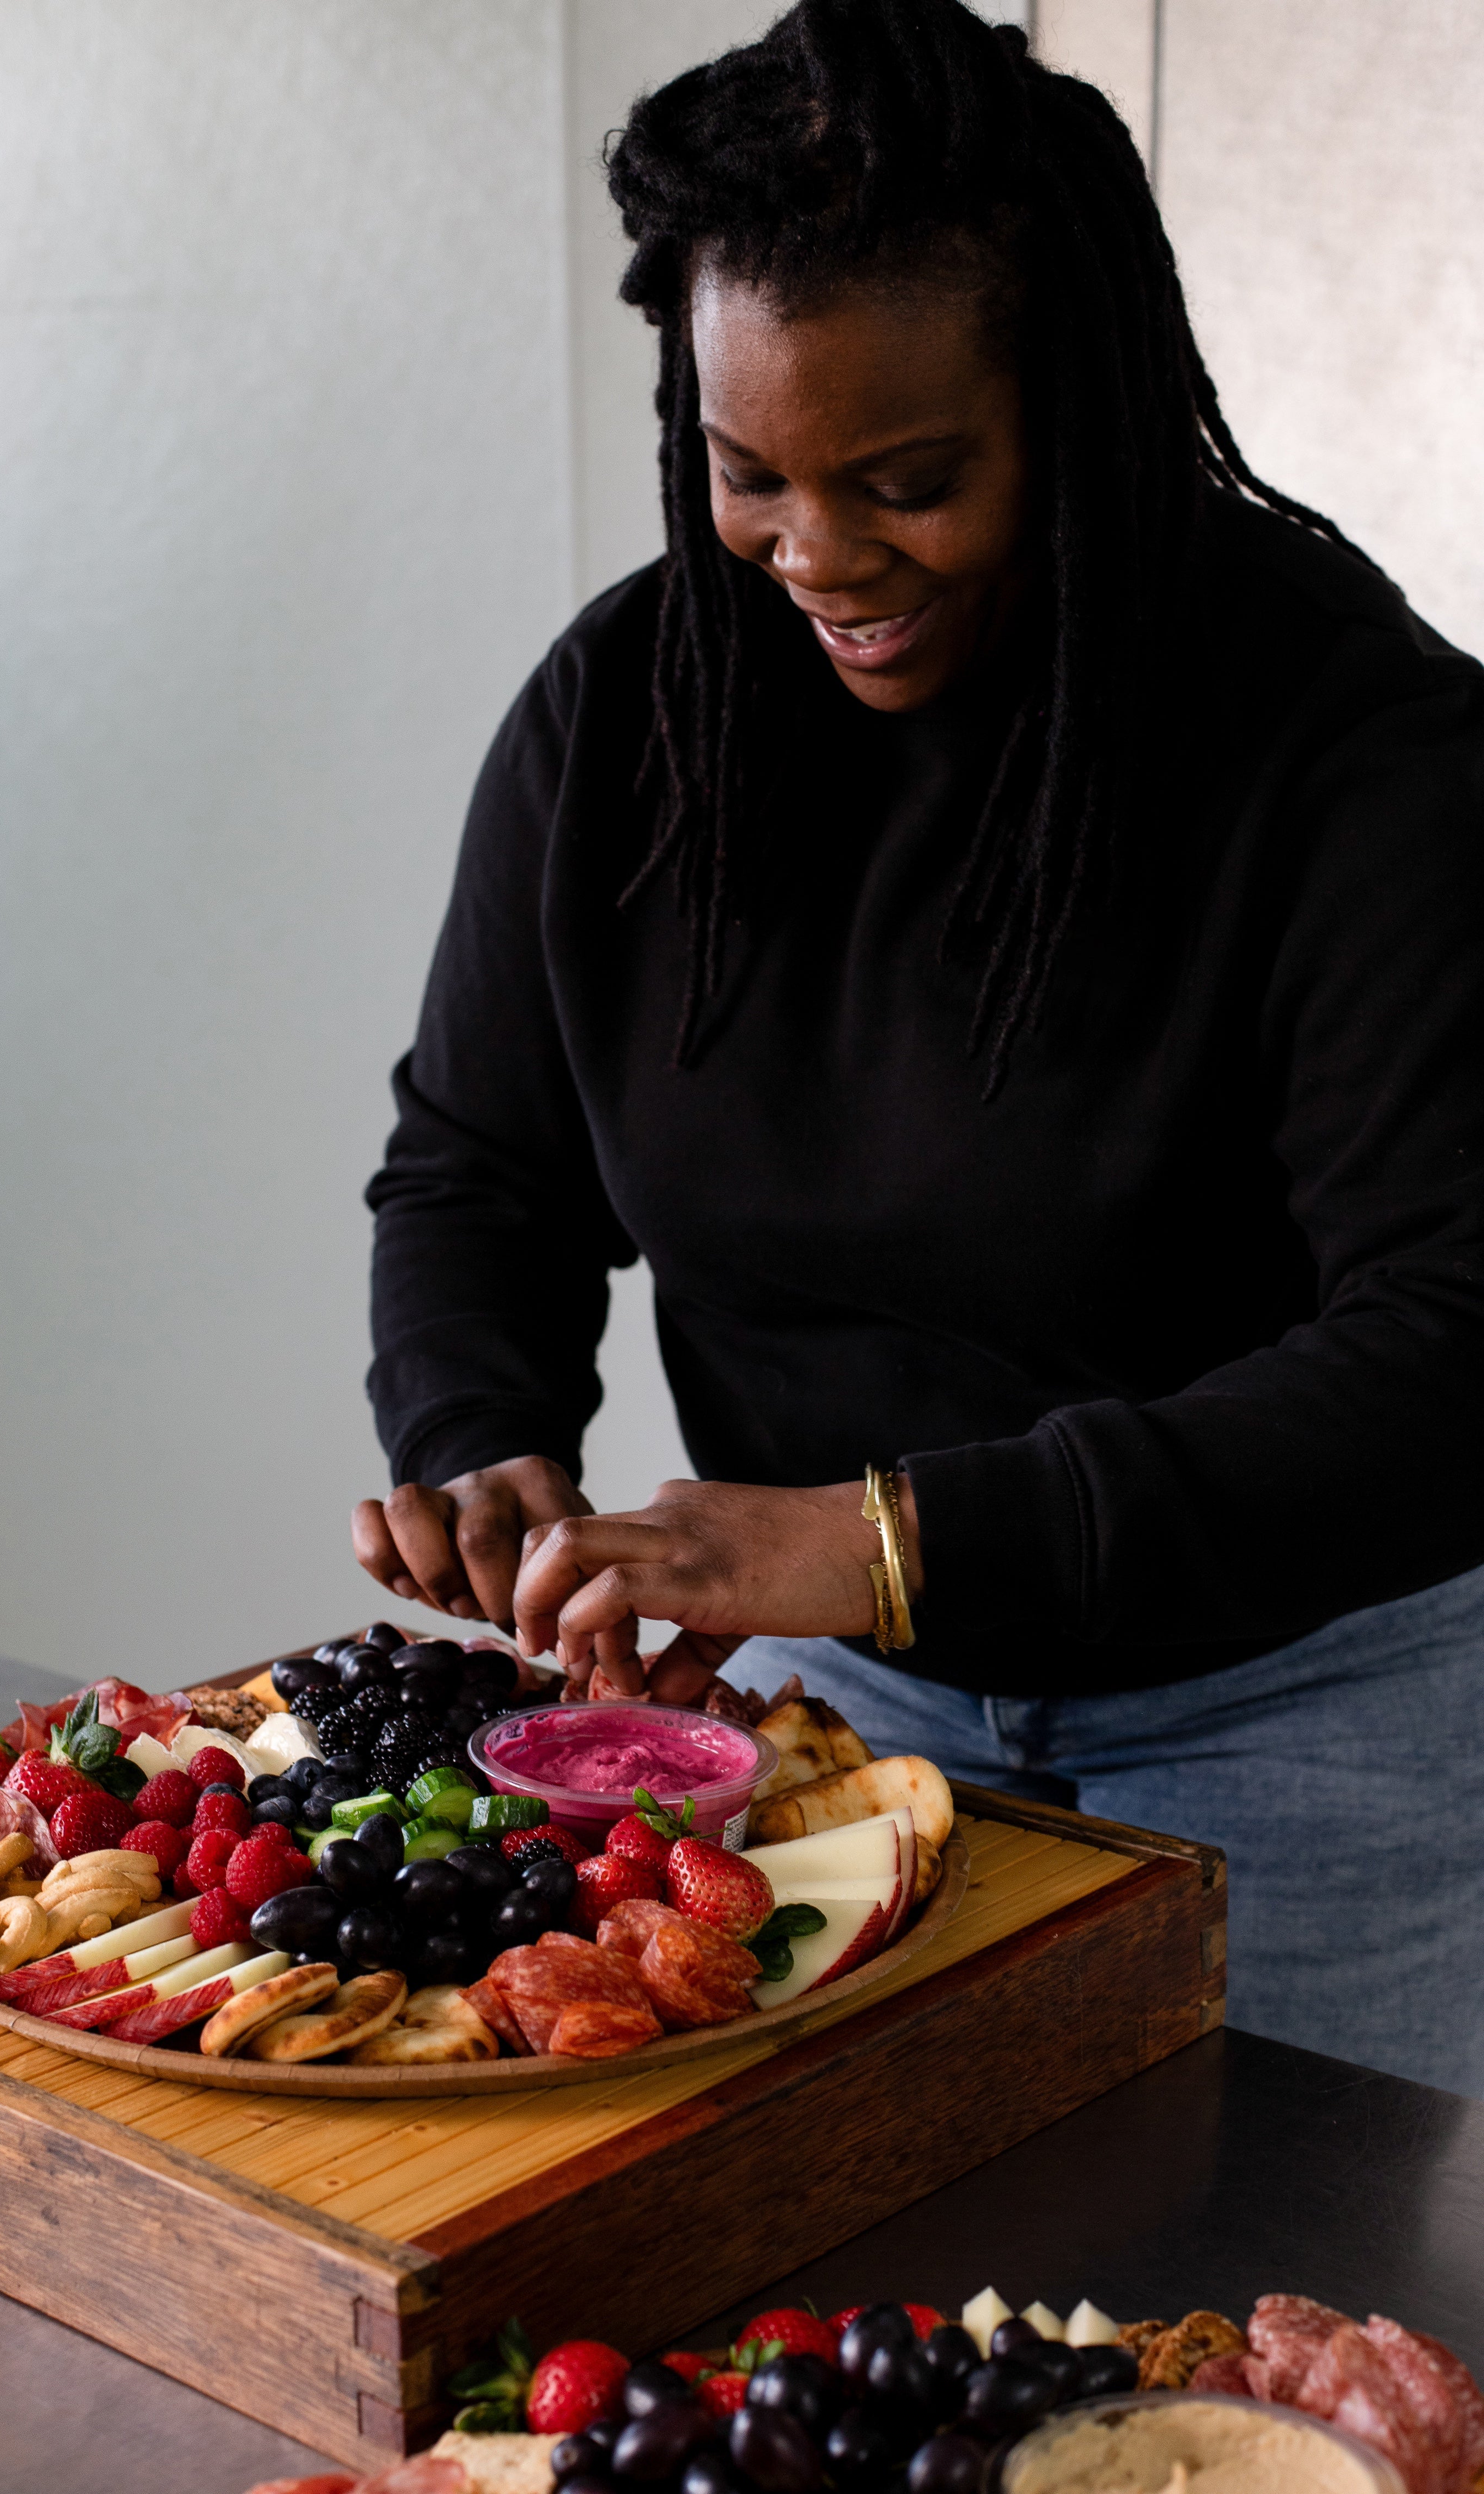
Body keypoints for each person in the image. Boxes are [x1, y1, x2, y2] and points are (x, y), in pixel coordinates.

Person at [351, 0, 1484, 2091]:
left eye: (912, 482)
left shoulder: (1360, 751)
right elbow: (477, 1169)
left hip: (1305, 1722)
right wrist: (474, 1421)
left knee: (1268, 2366)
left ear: (1081, 409)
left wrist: (881, 1535)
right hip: (822, 1708)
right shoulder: (631, 716)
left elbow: (1450, 1348)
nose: (819, 557)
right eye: (745, 472)